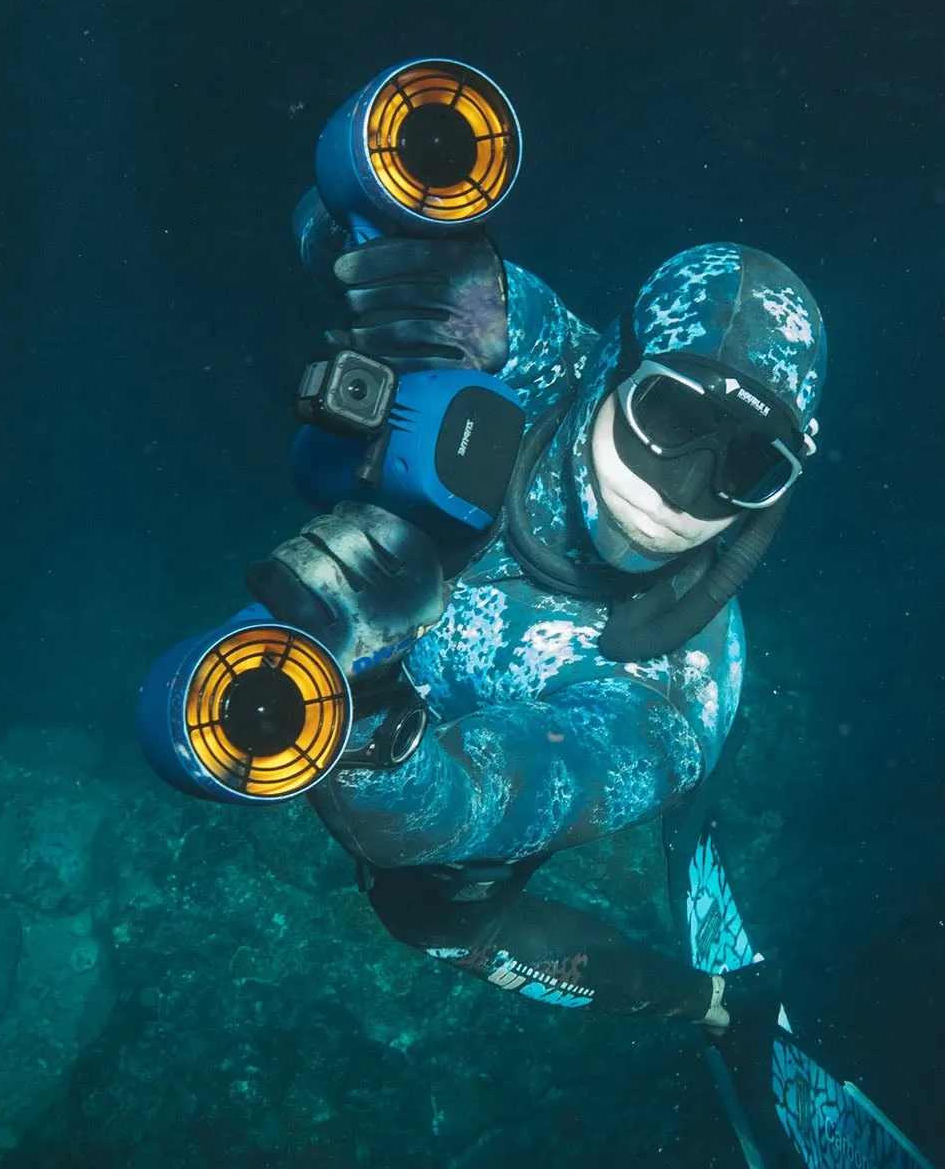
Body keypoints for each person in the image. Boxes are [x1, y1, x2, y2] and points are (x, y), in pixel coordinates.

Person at [255, 190, 826, 1043]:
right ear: (612, 362)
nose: (684, 490)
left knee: (435, 921)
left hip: (487, 742)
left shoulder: (669, 706)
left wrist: (365, 705)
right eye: (669, 414)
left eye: (744, 463)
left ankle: (716, 1006)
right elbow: (320, 220)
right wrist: (365, 237)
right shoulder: (531, 346)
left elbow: (440, 818)